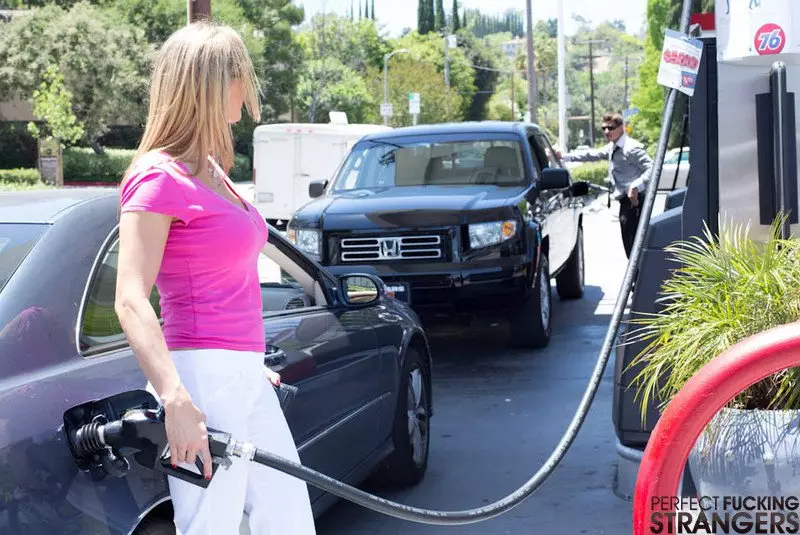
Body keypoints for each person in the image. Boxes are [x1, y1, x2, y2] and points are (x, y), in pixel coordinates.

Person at [114, 21, 316, 535]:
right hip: (200, 378)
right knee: (212, 526)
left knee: (289, 520)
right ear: (208, 85)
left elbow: (226, 278)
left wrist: (245, 364)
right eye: (239, 76)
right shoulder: (157, 177)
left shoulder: (211, 170)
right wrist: (176, 399)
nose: (246, 88)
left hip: (240, 372)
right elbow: (130, 299)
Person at [558, 112, 654, 258]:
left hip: (636, 201)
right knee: (630, 245)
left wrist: (636, 186)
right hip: (626, 201)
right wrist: (562, 156)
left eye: (611, 128)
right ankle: (637, 272)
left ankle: (640, 272)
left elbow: (652, 168)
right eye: (604, 128)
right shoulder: (613, 147)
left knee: (634, 245)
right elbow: (591, 155)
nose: (607, 131)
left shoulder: (631, 148)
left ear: (621, 128)